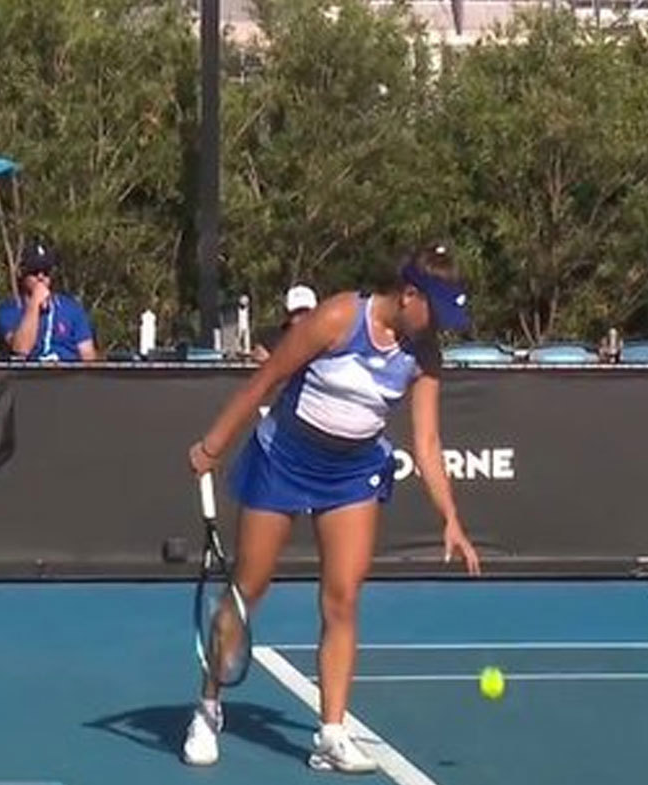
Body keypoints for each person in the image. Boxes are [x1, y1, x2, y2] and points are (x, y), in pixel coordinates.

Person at [182, 245, 482, 773]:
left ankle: (331, 733)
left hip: (351, 475)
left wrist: (450, 518)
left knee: (342, 598)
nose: (443, 327)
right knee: (248, 588)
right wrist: (214, 444)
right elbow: (268, 377)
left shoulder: (425, 354)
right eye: (437, 313)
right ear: (410, 295)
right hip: (283, 461)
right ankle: (207, 707)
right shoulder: (340, 317)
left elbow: (428, 442)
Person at [0, 241, 98, 362]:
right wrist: (34, 304)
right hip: (29, 377)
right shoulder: (9, 310)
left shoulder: (72, 309)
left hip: (68, 375)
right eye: (34, 271)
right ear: (23, 274)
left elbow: (88, 356)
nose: (41, 277)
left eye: (46, 271)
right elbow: (21, 350)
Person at [252, 284, 318, 363]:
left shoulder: (325, 340)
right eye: (296, 313)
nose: (302, 317)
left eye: (306, 312)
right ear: (287, 313)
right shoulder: (271, 340)